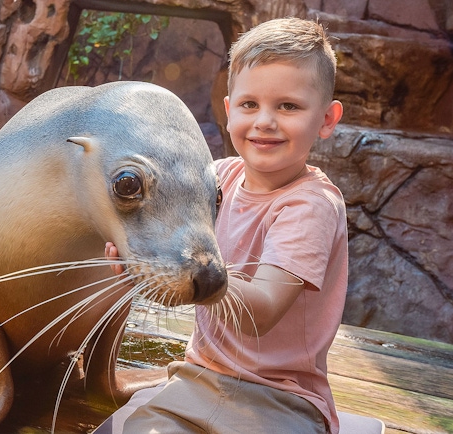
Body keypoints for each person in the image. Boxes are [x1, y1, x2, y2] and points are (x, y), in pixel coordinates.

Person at [100, 17, 347, 434]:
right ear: (228, 110)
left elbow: (264, 310)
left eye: (288, 106)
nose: (264, 121)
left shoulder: (310, 205)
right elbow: (169, 253)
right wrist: (141, 266)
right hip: (198, 377)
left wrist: (185, 274)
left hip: (281, 398)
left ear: (326, 119)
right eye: (250, 104)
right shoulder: (216, 178)